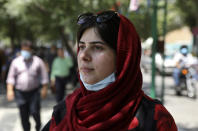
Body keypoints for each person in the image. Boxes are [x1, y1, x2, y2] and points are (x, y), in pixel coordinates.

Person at [42, 10, 177, 131]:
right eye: (82, 47)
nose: (83, 56)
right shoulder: (65, 111)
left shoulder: (154, 119)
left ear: (123, 57)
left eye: (97, 47)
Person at [6, 41, 49, 131]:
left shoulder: (38, 61)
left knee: (35, 112)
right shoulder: (16, 62)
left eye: (27, 50)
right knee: (23, 115)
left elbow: (44, 76)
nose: (25, 52)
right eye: (23, 50)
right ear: (21, 50)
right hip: (20, 93)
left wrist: (44, 89)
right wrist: (10, 90)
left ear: (31, 50)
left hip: (34, 92)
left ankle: (38, 125)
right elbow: (11, 78)